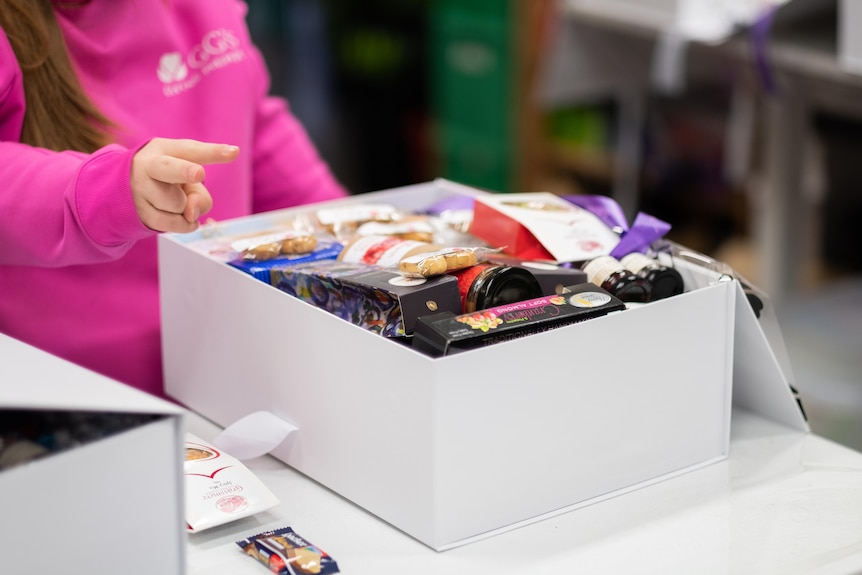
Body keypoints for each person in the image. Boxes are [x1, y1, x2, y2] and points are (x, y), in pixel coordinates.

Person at [0, 0, 349, 398]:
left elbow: (255, 133)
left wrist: (352, 235)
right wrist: (109, 191)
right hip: (73, 396)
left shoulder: (204, 10)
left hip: (230, 369)